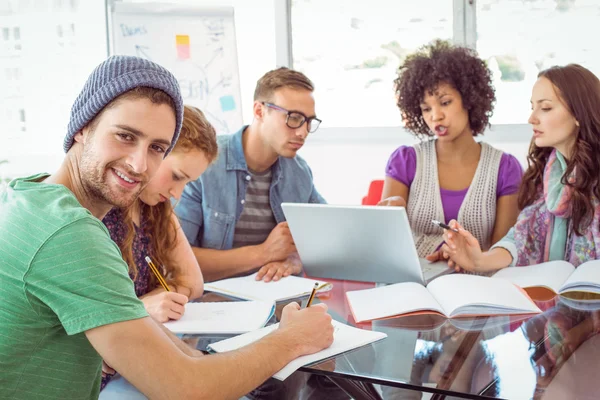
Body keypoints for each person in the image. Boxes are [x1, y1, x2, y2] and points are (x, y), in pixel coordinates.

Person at [0, 55, 334, 400]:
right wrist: (292, 338)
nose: (139, 164)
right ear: (83, 126)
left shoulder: (30, 196)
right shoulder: (70, 233)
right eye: (125, 136)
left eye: (157, 147)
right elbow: (188, 388)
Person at [100, 105, 218, 389]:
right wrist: (141, 311)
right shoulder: (101, 211)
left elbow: (193, 281)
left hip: (145, 350)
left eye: (186, 183)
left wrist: (161, 299)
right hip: (104, 369)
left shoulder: (156, 208)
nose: (177, 193)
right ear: (155, 152)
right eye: (177, 176)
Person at [442, 64, 600, 273]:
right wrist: (478, 260)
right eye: (532, 107)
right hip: (556, 296)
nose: (531, 118)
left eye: (545, 108)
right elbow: (523, 238)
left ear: (578, 113)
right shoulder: (549, 175)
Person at [175, 67, 325, 283]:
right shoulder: (205, 164)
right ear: (259, 111)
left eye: (309, 121)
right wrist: (263, 253)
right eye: (294, 118)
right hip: (214, 302)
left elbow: (325, 236)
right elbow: (176, 261)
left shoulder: (300, 172)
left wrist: (295, 260)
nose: (302, 132)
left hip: (278, 297)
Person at [378, 40, 522, 261]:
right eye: (426, 109)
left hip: (476, 283)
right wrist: (387, 217)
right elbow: (387, 243)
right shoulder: (405, 160)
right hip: (414, 281)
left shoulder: (505, 168)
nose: (435, 116)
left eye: (445, 103)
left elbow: (503, 250)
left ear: (469, 99)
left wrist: (467, 257)